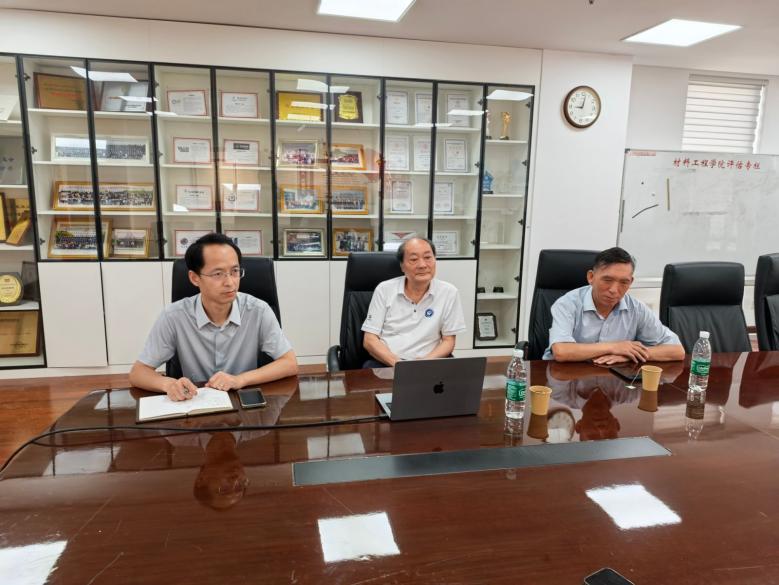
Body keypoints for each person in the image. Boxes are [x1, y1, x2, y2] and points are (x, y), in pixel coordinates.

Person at [129, 233, 298, 400]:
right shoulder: (173, 316)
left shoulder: (258, 311)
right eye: (218, 274)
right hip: (195, 404)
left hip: (243, 403)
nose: (230, 282)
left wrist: (240, 379)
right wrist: (169, 384)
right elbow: (138, 373)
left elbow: (289, 363)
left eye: (235, 271)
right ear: (194, 278)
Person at [544, 246, 684, 364]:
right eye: (607, 280)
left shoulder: (637, 309)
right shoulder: (567, 304)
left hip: (611, 379)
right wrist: (615, 347)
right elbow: (561, 351)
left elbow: (677, 351)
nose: (614, 290)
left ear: (631, 282)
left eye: (623, 282)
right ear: (591, 277)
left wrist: (629, 354)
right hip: (564, 378)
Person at [361, 237, 466, 367]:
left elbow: (448, 341)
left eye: (427, 257)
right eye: (414, 259)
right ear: (402, 266)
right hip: (388, 362)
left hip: (429, 362)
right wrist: (399, 365)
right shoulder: (384, 289)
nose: (422, 265)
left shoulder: (449, 292)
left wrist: (424, 363)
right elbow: (369, 339)